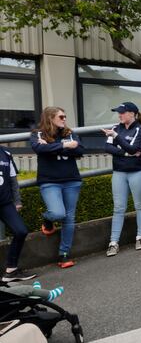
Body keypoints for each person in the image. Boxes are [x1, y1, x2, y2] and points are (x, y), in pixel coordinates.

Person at [31, 106, 84, 268]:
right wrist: (66, 146)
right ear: (50, 118)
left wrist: (52, 146)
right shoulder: (38, 134)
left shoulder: (69, 132)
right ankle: (47, 220)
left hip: (72, 180)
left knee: (69, 218)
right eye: (61, 117)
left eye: (65, 116)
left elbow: (80, 151)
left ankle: (64, 254)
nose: (64, 119)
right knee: (57, 213)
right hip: (49, 182)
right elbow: (39, 148)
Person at [103, 102, 141, 257]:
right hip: (119, 172)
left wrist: (117, 139)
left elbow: (133, 148)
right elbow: (108, 148)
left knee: (140, 205)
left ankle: (140, 236)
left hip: (138, 172)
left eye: (122, 112)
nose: (119, 115)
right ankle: (113, 242)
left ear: (132, 114)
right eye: (119, 113)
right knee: (118, 207)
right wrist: (125, 153)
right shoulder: (116, 128)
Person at [0, 147, 35, 284]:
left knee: (21, 231)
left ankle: (11, 270)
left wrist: (17, 201)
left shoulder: (6, 153)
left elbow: (13, 180)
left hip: (5, 203)